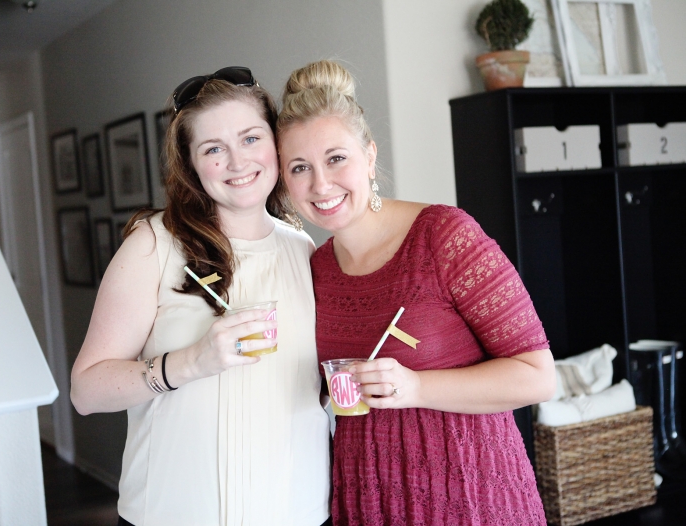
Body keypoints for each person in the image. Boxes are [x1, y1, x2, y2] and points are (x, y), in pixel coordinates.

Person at [276, 59, 556, 525]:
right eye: (300, 167)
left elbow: (538, 376)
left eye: (336, 158)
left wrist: (417, 387)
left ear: (369, 156)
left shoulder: (443, 236)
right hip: (369, 501)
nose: (320, 184)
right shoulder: (314, 269)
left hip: (471, 497)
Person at [70, 67, 331, 526]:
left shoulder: (302, 248)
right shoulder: (153, 245)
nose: (237, 161)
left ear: (275, 143)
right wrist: (190, 362)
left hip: (300, 514)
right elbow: (86, 392)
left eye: (251, 138)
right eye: (213, 149)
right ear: (190, 165)